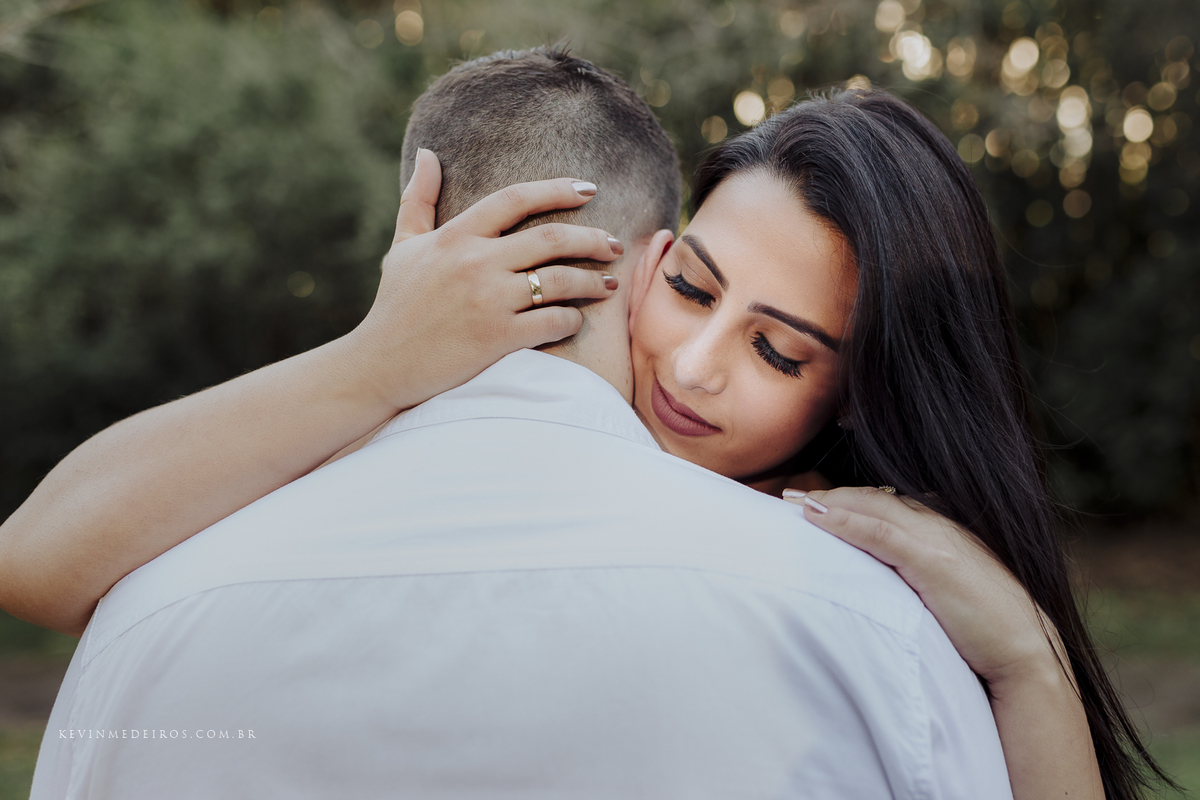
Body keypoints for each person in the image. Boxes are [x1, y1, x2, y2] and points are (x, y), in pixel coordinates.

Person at [0, 48, 1163, 797]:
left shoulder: (884, 597)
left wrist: (1025, 656)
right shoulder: (863, 631)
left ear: (858, 393)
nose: (695, 369)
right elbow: (36, 560)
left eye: (778, 348)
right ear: (642, 257)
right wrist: (380, 354)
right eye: (695, 288)